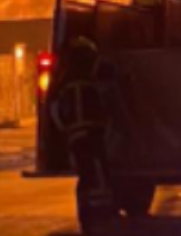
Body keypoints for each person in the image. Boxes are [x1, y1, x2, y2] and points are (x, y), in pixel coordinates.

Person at [50, 37, 118, 230]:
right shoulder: (90, 72)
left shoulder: (66, 79)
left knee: (87, 177)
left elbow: (55, 109)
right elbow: (110, 80)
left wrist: (66, 130)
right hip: (91, 134)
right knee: (98, 175)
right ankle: (102, 214)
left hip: (77, 137)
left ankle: (88, 215)